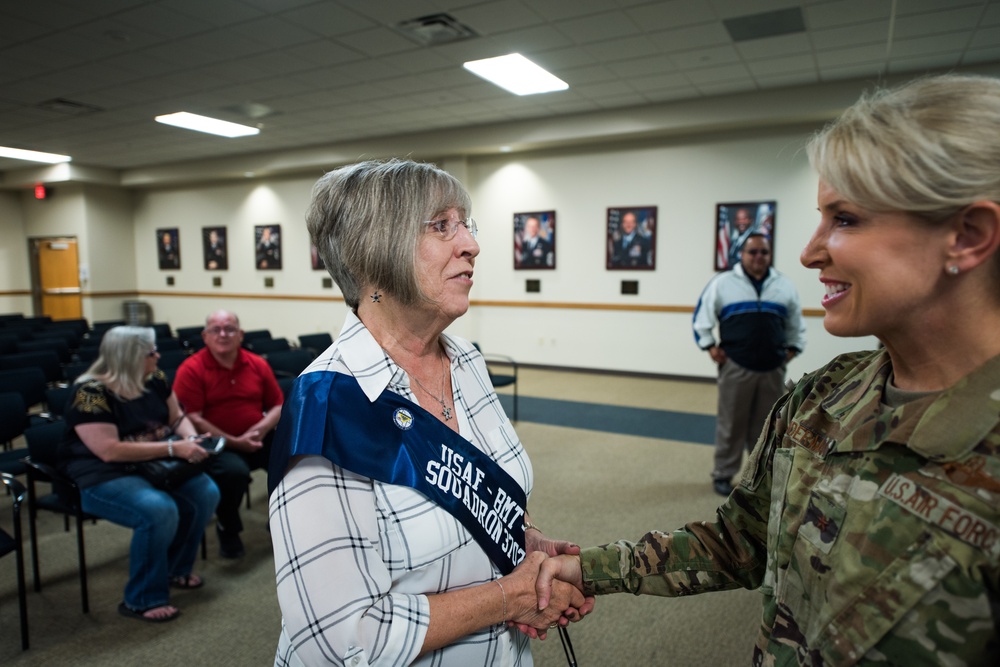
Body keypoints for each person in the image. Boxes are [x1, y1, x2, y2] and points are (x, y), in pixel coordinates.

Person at [537, 74, 1000, 665]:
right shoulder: (823, 400)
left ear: (968, 235)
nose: (809, 251)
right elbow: (740, 542)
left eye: (847, 218)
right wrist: (585, 569)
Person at [268, 159, 590, 666]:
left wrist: (521, 541)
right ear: (374, 251)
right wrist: (511, 596)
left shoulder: (466, 362)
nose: (472, 244)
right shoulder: (328, 409)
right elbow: (344, 640)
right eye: (442, 226)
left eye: (465, 223)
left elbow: (468, 502)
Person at [58, 326, 219, 622]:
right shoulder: (90, 393)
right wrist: (174, 450)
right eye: (150, 353)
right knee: (158, 510)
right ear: (127, 357)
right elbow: (109, 450)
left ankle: (176, 569)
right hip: (102, 474)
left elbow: (177, 417)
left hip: (154, 463)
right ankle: (142, 598)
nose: (158, 356)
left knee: (206, 492)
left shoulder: (153, 378)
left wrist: (191, 440)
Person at [693, 232, 806, 496]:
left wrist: (791, 350)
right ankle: (723, 474)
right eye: (752, 252)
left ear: (769, 255)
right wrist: (709, 346)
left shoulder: (784, 285)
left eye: (763, 252)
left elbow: (796, 325)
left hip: (772, 369)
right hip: (736, 366)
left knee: (767, 426)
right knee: (731, 423)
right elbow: (701, 318)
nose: (758, 257)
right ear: (742, 255)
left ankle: (760, 475)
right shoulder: (723, 283)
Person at [173, 310, 283, 558]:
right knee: (234, 474)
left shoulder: (256, 363)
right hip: (214, 444)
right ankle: (228, 528)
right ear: (205, 336)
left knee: (295, 459)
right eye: (216, 329)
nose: (223, 334)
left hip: (256, 437)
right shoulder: (191, 369)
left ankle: (280, 519)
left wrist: (261, 429)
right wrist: (235, 441)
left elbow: (278, 404)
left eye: (230, 329)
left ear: (240, 334)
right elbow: (192, 418)